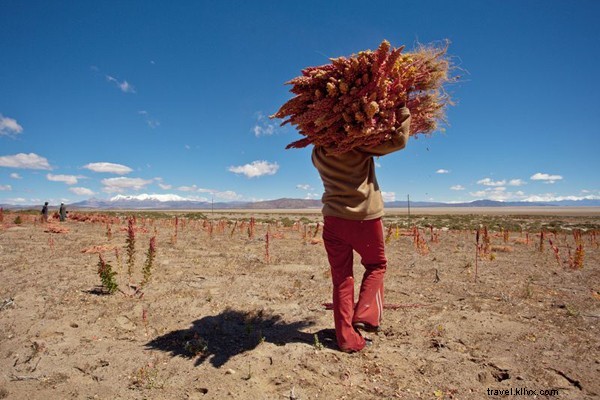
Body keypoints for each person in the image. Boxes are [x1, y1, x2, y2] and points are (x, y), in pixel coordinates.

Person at [311, 106, 411, 353]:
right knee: (377, 266)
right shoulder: (358, 145)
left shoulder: (318, 152)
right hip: (364, 219)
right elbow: (398, 141)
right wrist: (402, 110)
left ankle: (346, 339)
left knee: (342, 280)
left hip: (333, 221)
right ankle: (365, 316)